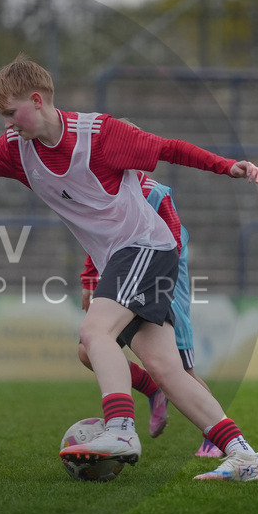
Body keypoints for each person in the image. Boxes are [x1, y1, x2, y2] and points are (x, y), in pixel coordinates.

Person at [0, 54, 258, 481]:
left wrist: (227, 166)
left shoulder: (102, 133)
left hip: (147, 247)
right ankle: (243, 455)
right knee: (165, 369)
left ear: (37, 100)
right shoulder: (15, 151)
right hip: (126, 258)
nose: (7, 123)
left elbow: (168, 149)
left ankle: (121, 429)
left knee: (94, 332)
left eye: (11, 112)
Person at [77, 169, 224, 459]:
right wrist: (89, 280)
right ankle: (153, 391)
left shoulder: (154, 192)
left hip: (164, 285)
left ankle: (218, 438)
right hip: (126, 282)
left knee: (182, 371)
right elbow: (101, 237)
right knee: (87, 351)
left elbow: (171, 245)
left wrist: (158, 294)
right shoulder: (106, 191)